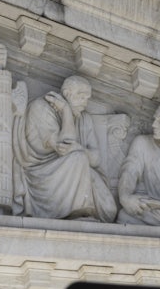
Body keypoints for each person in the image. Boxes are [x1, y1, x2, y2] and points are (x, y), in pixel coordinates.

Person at [14, 75, 117, 221]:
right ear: (68, 94)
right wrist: (66, 111)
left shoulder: (84, 119)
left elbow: (95, 159)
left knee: (109, 210)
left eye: (87, 98)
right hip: (40, 173)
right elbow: (64, 146)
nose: (86, 103)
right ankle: (78, 212)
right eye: (82, 97)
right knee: (78, 158)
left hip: (72, 168)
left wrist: (80, 149)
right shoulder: (41, 108)